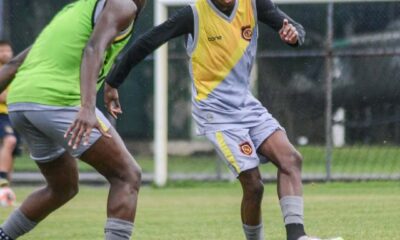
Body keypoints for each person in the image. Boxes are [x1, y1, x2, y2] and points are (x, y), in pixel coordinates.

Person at [104, 0, 343, 240]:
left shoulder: (254, 4)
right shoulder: (193, 14)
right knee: (254, 185)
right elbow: (146, 43)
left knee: (291, 159)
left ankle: (297, 236)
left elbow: (295, 29)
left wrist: (293, 36)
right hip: (215, 113)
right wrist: (113, 81)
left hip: (246, 105)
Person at [0, 0, 146, 239]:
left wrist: (109, 84)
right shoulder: (123, 5)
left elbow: (15, 63)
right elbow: (93, 49)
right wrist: (87, 108)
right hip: (57, 101)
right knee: (128, 175)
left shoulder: (75, 10)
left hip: (20, 103)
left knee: (62, 186)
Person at [0, 41, 20, 190]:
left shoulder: (16, 71)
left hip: (14, 114)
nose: (6, 53)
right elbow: (2, 97)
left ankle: (6, 191)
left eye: (8, 50)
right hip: (2, 114)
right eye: (2, 51)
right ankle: (1, 178)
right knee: (10, 141)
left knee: (12, 152)